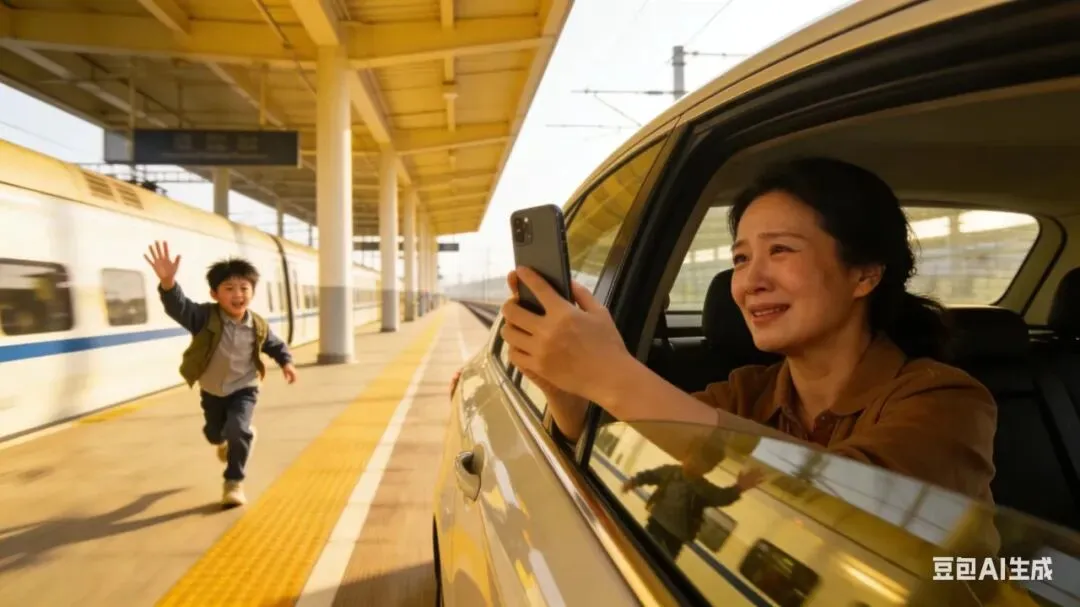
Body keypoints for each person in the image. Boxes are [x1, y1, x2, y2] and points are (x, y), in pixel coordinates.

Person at [496, 157, 998, 502]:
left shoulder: (949, 401)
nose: (749, 281)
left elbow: (849, 510)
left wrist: (613, 376)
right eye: (740, 258)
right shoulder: (746, 392)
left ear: (864, 274)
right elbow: (627, 457)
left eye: (780, 250)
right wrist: (567, 394)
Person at [145, 241, 298, 507]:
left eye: (244, 288)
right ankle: (229, 441)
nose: (238, 294)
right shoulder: (204, 317)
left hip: (244, 387)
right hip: (212, 389)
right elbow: (179, 307)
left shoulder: (257, 325)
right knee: (214, 434)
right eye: (229, 288)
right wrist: (168, 283)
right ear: (214, 294)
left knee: (238, 429)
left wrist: (287, 362)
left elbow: (274, 345)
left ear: (252, 292)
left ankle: (233, 481)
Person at [622, 443, 765, 560]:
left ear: (708, 470)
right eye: (693, 458)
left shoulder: (703, 489)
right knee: (638, 552)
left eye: (700, 464)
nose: (693, 465)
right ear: (686, 455)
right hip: (655, 524)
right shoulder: (669, 472)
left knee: (658, 563)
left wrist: (739, 488)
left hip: (675, 539)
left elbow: (721, 497)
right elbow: (650, 475)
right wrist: (634, 481)